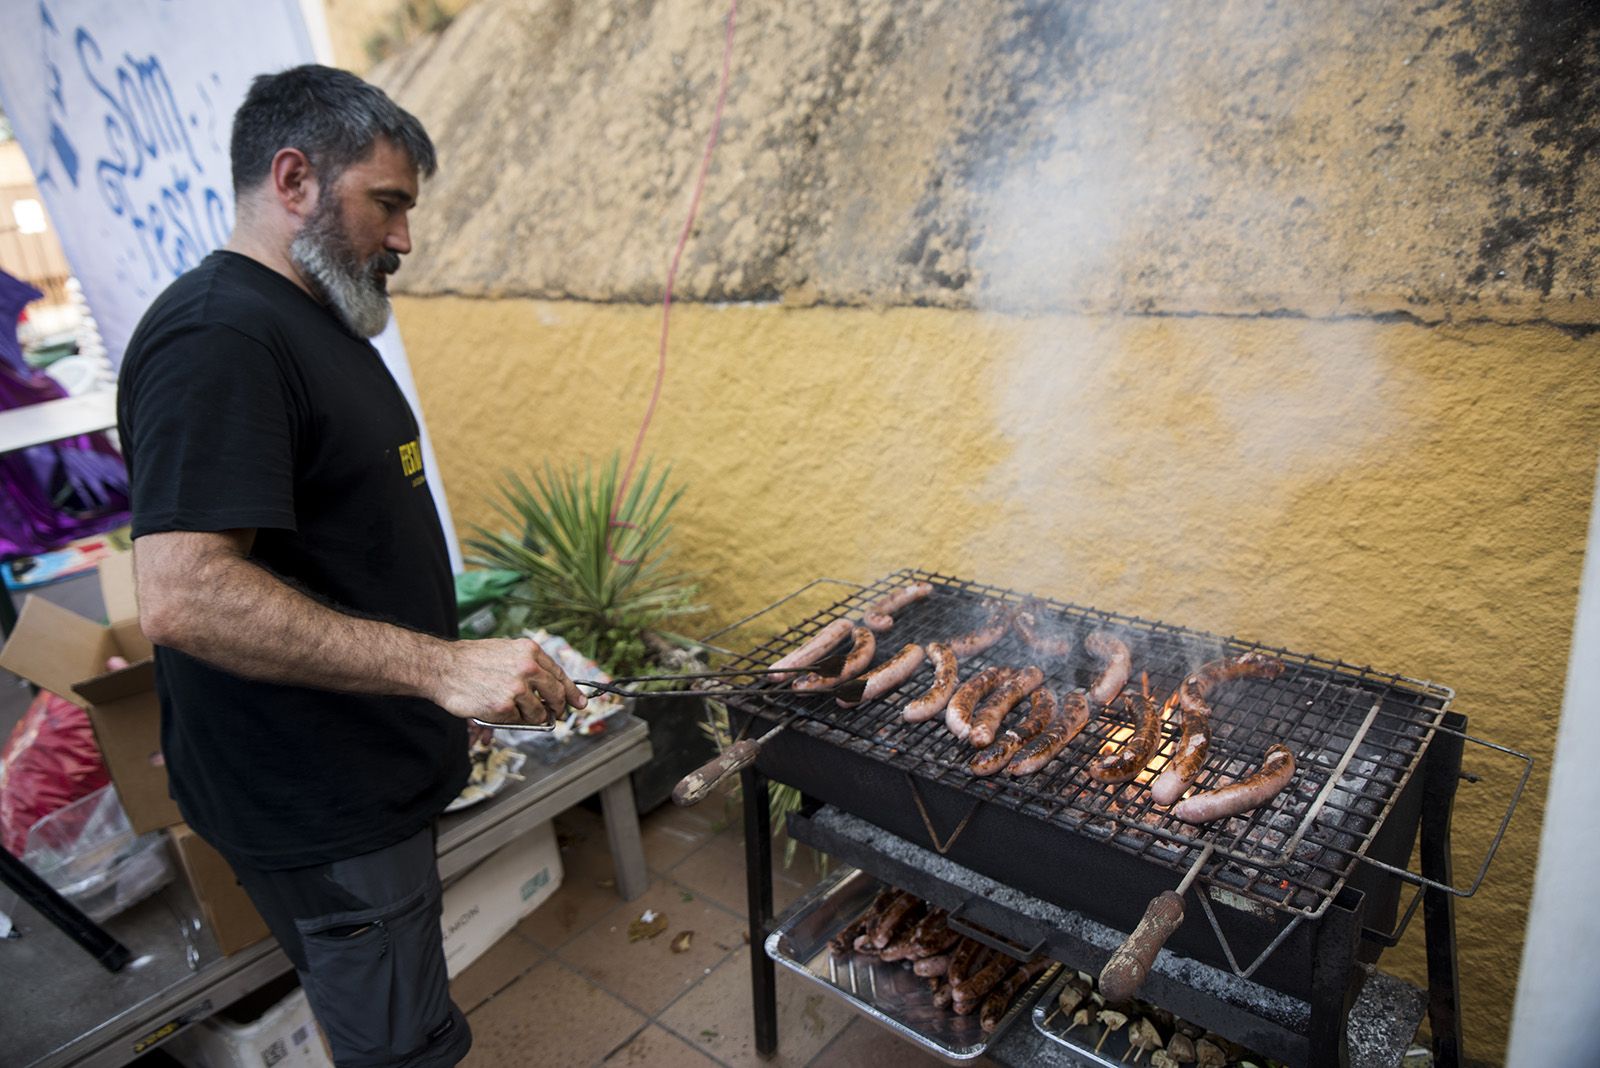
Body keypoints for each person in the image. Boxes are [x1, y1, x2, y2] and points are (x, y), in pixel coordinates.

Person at [116, 64, 584, 1068]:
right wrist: (439, 669)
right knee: (402, 1048)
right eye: (388, 203)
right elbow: (185, 591)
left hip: (366, 777)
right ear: (293, 180)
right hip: (319, 806)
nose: (405, 238)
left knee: (395, 1011)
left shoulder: (307, 316)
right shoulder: (218, 336)